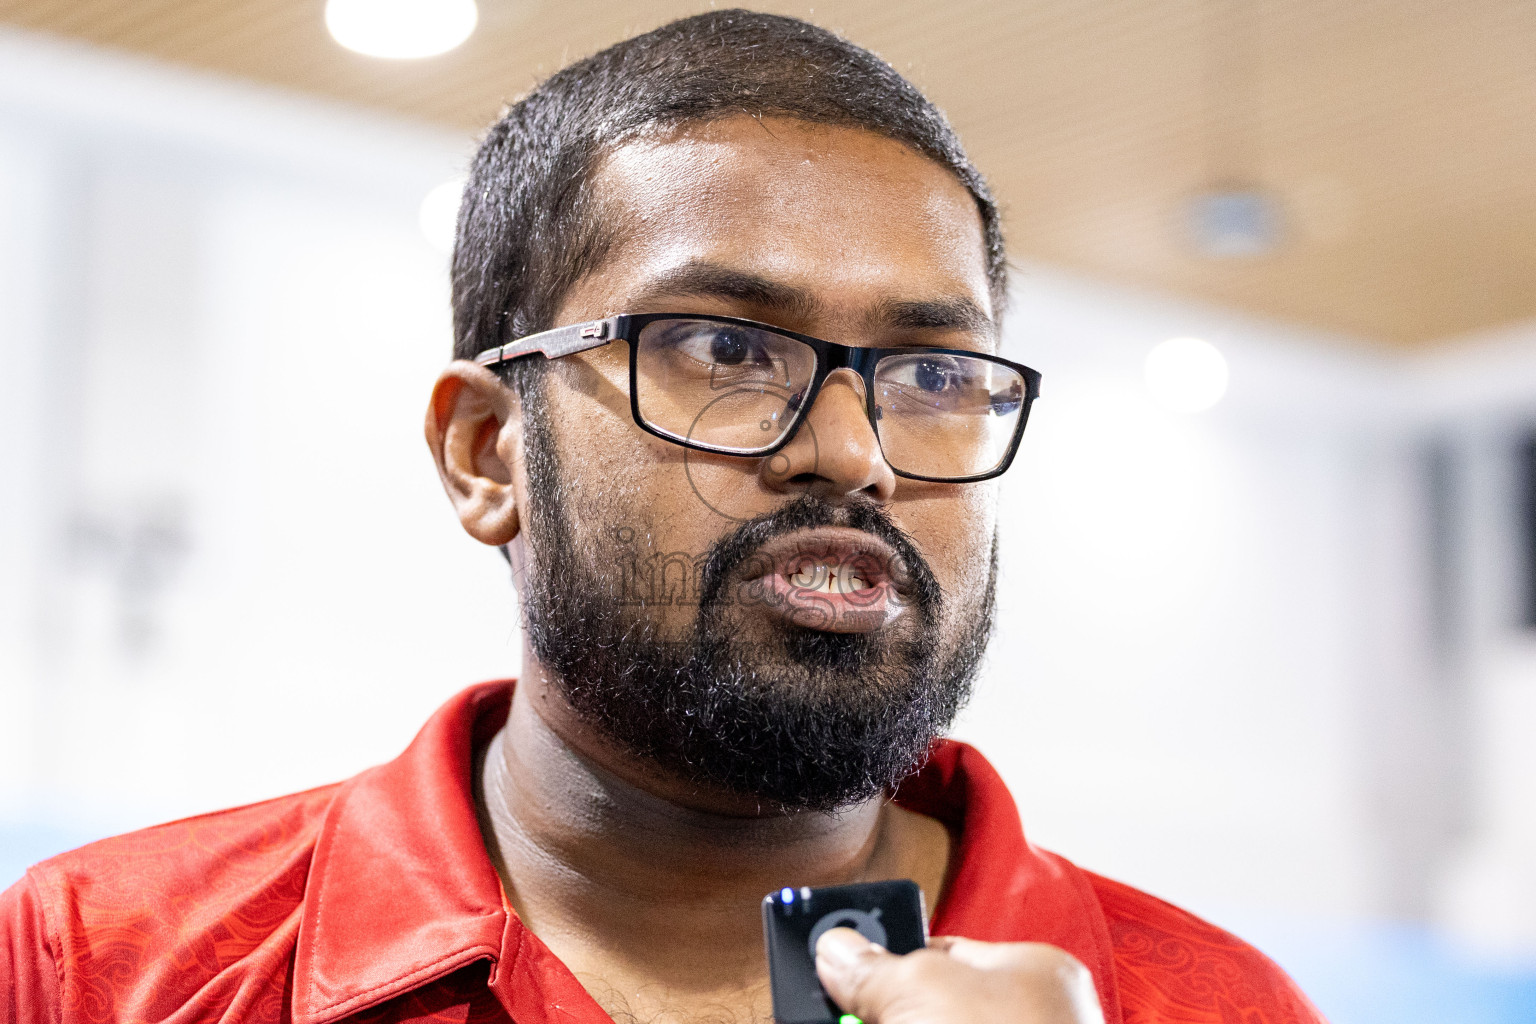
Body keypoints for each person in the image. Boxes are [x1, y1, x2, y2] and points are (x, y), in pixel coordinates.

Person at [1, 11, 1325, 1024]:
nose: (853, 456)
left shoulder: (1208, 1001)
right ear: (486, 452)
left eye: (931, 373)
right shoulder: (103, 962)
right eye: (725, 350)